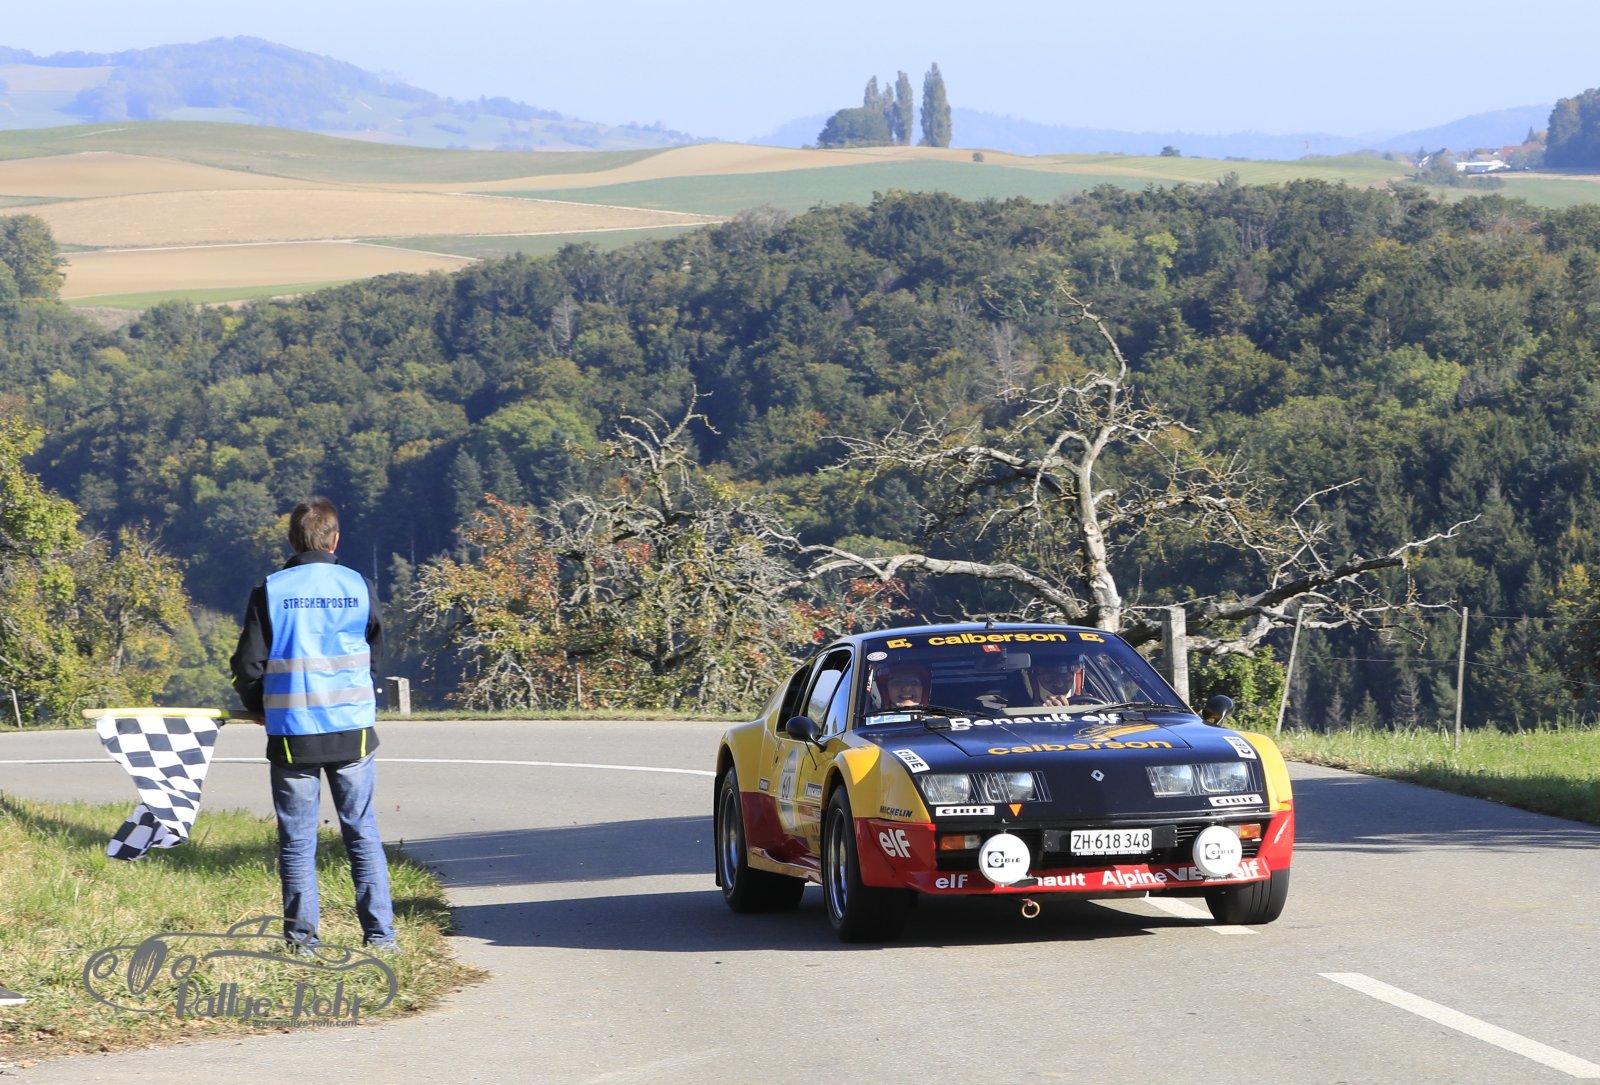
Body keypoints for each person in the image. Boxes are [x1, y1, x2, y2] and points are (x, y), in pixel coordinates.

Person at [229, 497, 396, 952]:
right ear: (335, 539)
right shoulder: (359, 584)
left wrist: (258, 704)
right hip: (352, 730)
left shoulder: (271, 590)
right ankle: (381, 938)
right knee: (362, 832)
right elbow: (375, 652)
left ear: (291, 539)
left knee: (298, 843)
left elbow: (248, 664)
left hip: (293, 733)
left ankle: (304, 944)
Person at [1033, 657, 1102, 707]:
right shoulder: (1026, 711)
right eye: (1049, 679)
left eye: (1066, 677)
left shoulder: (1090, 705)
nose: (1060, 684)